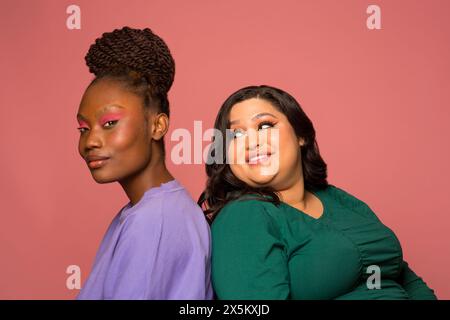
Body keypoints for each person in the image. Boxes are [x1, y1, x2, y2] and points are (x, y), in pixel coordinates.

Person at [198, 85, 437, 300]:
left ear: (301, 135)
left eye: (265, 126)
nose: (251, 142)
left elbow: (402, 275)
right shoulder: (244, 219)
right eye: (236, 134)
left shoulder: (337, 199)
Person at [76, 26, 212, 299]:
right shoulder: (152, 210)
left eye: (109, 123)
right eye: (83, 128)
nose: (90, 141)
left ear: (157, 125)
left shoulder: (153, 221)